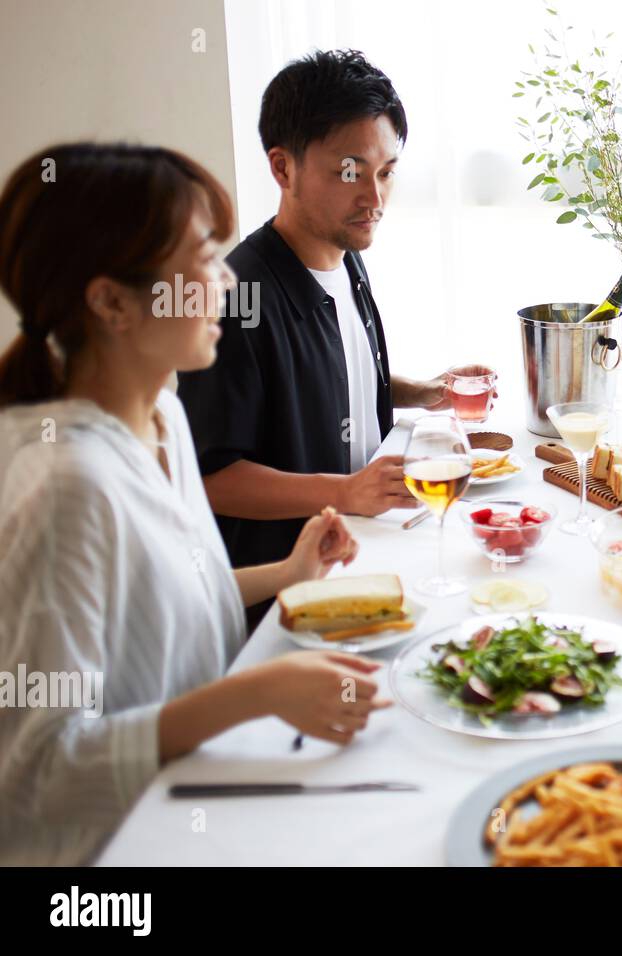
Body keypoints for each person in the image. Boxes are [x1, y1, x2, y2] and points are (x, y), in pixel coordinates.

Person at [0, 143, 390, 865]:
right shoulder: (66, 487)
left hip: (195, 803)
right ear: (110, 300)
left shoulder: (162, 418)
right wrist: (258, 692)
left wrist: (286, 576)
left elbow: (153, 606)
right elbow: (38, 771)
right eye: (204, 261)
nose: (227, 285)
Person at [177, 49, 459, 580]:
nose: (374, 198)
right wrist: (345, 491)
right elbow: (210, 476)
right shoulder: (239, 297)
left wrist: (418, 391)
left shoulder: (346, 257)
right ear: (283, 167)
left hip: (367, 551)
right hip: (287, 590)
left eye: (387, 173)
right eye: (350, 172)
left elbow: (323, 375)